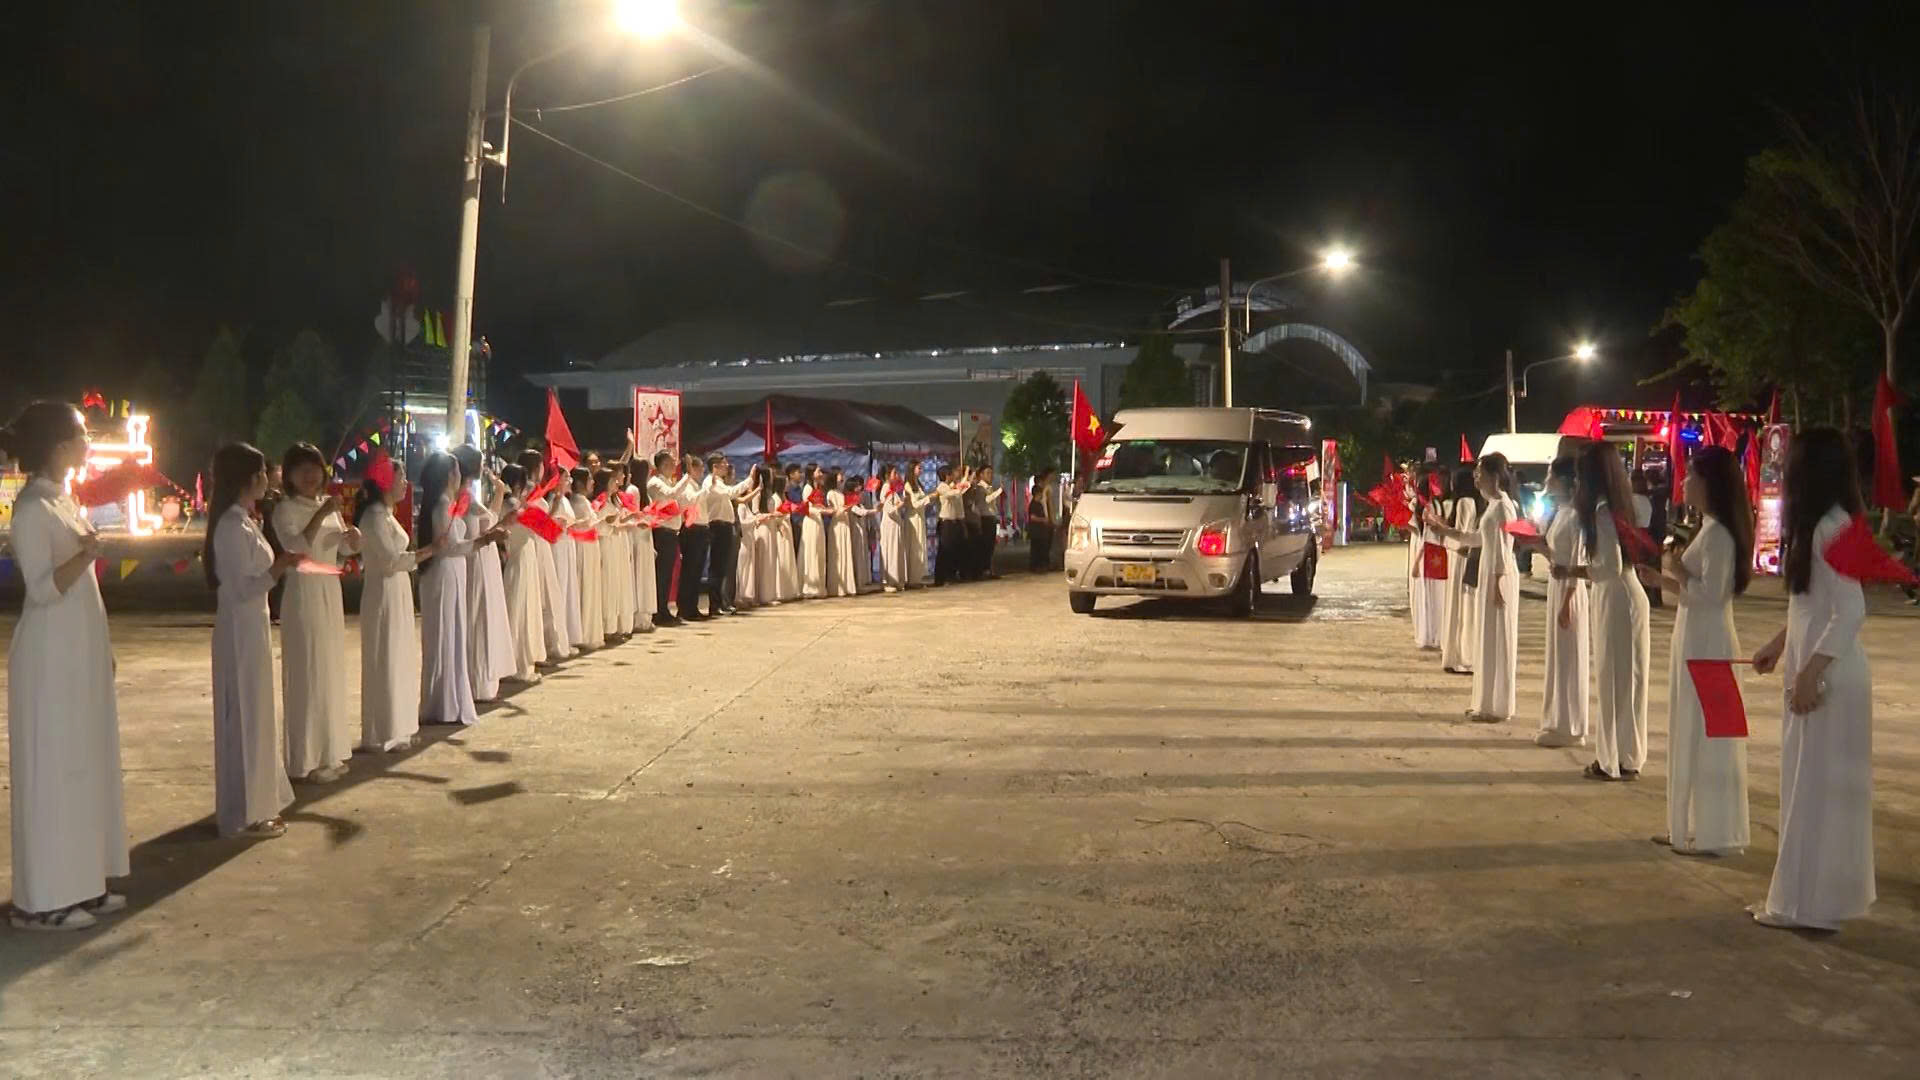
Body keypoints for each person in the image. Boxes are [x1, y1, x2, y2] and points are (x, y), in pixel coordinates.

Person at [4, 402, 130, 930]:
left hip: (77, 653)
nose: (88, 442)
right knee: (54, 770)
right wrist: (87, 554)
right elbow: (40, 588)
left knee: (84, 764)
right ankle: (43, 902)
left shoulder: (62, 499)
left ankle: (84, 882)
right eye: (82, 434)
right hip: (49, 658)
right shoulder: (32, 508)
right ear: (58, 445)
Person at [1748, 428, 1875, 930]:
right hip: (1820, 665)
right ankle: (1808, 902)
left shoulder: (1830, 527)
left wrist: (1810, 674)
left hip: (1829, 675)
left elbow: (1851, 610)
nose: (1783, 470)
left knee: (1813, 789)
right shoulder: (1826, 524)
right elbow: (1813, 603)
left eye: (1791, 461)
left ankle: (1805, 906)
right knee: (1810, 786)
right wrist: (1780, 644)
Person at [1638, 445, 1752, 856]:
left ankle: (1711, 832)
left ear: (1709, 483)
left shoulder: (1719, 534)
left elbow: (1713, 595)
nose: (1683, 482)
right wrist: (1664, 579)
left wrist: (1678, 570)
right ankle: (1685, 825)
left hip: (1709, 642)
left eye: (1690, 475)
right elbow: (1697, 591)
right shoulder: (1708, 528)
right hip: (1695, 635)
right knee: (1691, 727)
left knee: (1707, 732)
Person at [207, 442, 301, 839]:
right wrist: (278, 569)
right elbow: (240, 587)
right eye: (263, 472)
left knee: (257, 713)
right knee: (244, 715)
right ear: (247, 478)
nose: (269, 477)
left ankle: (259, 804)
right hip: (240, 628)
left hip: (254, 625)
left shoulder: (245, 520)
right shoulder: (231, 527)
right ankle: (244, 811)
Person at [1555, 441, 1652, 781]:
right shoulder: (1618, 506)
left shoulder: (1602, 512)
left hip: (1617, 596)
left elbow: (1609, 566)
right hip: (1622, 595)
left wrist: (1571, 570)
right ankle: (1625, 755)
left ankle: (1614, 758)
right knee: (1627, 679)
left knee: (1616, 679)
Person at [271, 441, 358, 784]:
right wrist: (321, 514)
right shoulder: (285, 509)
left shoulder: (328, 505)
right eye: (301, 469)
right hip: (303, 591)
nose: (309, 476)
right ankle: (304, 759)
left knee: (329, 670)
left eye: (315, 469)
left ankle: (328, 752)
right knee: (308, 670)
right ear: (289, 475)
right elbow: (296, 548)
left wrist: (352, 539)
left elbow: (339, 549)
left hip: (328, 590)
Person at [1427, 454, 1518, 723]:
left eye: (1480, 473)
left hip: (1498, 577)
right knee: (1487, 637)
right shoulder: (1493, 506)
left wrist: (1498, 584)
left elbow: (1504, 548)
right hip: (1489, 573)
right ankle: (1485, 702)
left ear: (1494, 476)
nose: (1476, 478)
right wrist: (1445, 530)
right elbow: (1478, 539)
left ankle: (1497, 706)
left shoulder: (1503, 506)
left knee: (1497, 638)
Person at [356, 455, 431, 750]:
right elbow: (389, 561)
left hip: (397, 590)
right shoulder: (374, 517)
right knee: (384, 657)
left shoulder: (386, 514)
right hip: (383, 592)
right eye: (401, 478)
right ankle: (381, 730)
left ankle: (398, 726)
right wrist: (427, 552)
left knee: (398, 656)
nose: (405, 484)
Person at [417, 451, 481, 726]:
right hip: (443, 573)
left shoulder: (448, 504)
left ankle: (449, 701)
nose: (459, 476)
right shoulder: (442, 506)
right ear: (446, 476)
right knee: (444, 634)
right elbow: (449, 547)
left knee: (452, 633)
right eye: (455, 471)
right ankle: (442, 703)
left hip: (452, 572)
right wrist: (483, 540)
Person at [1535, 457, 1589, 748]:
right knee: (1558, 654)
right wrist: (1536, 545)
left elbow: (1578, 561)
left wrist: (1567, 601)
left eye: (1551, 476)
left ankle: (1571, 726)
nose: (1547, 482)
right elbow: (1557, 557)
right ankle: (1557, 719)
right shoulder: (1561, 513)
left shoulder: (1577, 516)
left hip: (1570, 590)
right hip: (1558, 585)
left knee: (1569, 655)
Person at [453, 446, 513, 704]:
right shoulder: (465, 496)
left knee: (482, 616)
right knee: (478, 616)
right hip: (476, 559)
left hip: (481, 557)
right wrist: (499, 494)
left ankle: (482, 680)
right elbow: (489, 522)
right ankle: (478, 681)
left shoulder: (466, 494)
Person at [497, 463, 548, 685]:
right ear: (518, 485)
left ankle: (520, 663)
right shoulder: (512, 505)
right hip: (519, 558)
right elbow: (540, 527)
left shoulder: (511, 504)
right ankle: (517, 665)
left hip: (522, 558)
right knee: (519, 611)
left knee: (522, 609)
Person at [1438, 465, 1482, 675]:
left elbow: (1463, 535)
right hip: (1457, 556)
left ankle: (1460, 656)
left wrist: (1444, 531)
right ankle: (1457, 655)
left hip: (1460, 558)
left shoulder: (1465, 502)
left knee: (1460, 606)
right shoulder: (1467, 502)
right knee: (1458, 606)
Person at [646, 450, 694, 625]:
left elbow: (678, 499)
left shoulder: (667, 481)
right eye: (672, 462)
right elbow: (672, 493)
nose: (675, 465)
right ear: (664, 464)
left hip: (671, 532)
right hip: (662, 532)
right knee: (662, 574)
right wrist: (687, 475)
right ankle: (659, 612)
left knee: (667, 574)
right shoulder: (655, 482)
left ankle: (664, 609)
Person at [703, 454, 755, 615]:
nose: (727, 467)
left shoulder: (719, 482)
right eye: (724, 464)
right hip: (717, 526)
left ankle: (721, 603)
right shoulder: (710, 482)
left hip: (724, 526)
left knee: (722, 567)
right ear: (715, 466)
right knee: (717, 567)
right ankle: (715, 605)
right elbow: (731, 493)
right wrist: (749, 479)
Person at [1412, 466, 1447, 650]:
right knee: (1437, 595)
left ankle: (1431, 635)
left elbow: (1427, 538)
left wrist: (1417, 562)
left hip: (1430, 554)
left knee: (1429, 596)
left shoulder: (1429, 508)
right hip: (1438, 553)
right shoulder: (1436, 506)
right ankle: (1436, 634)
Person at [568, 466, 603, 646]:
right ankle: (583, 634)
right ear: (581, 483)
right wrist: (594, 520)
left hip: (589, 547)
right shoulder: (578, 501)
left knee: (589, 588)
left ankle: (588, 632)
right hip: (583, 547)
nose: (593, 483)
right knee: (585, 588)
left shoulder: (582, 501)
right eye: (589, 479)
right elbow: (578, 526)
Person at [677, 454, 713, 619]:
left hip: (701, 529)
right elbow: (689, 501)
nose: (702, 472)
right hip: (692, 530)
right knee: (690, 571)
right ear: (693, 469)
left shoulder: (696, 485)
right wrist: (705, 490)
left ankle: (693, 607)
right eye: (700, 469)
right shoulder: (687, 485)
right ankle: (685, 608)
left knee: (697, 571)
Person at [934, 465, 970, 586]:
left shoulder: (950, 486)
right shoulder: (941, 487)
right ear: (946, 475)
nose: (952, 476)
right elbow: (954, 493)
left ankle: (951, 575)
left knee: (953, 549)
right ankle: (941, 578)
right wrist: (963, 482)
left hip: (953, 522)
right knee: (945, 550)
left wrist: (965, 478)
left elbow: (959, 491)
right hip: (946, 522)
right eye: (950, 474)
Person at [801, 464, 831, 598]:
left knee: (819, 551)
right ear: (811, 473)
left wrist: (824, 509)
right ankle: (810, 587)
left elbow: (817, 505)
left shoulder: (817, 488)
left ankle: (819, 586)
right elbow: (807, 508)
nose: (821, 474)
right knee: (812, 551)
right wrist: (822, 511)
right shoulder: (807, 488)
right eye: (818, 471)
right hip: (811, 522)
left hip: (818, 521)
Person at [879, 464, 909, 590]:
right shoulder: (886, 488)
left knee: (896, 550)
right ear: (887, 475)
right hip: (889, 524)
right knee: (890, 551)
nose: (897, 475)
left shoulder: (892, 489)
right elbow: (889, 509)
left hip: (895, 523)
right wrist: (900, 504)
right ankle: (888, 581)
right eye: (894, 473)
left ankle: (897, 579)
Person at [904, 461, 933, 587]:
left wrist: (929, 499)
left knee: (920, 545)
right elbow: (915, 504)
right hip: (913, 518)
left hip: (920, 517)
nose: (921, 470)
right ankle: (912, 579)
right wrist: (929, 498)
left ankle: (919, 576)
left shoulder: (918, 484)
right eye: (919, 468)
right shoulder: (908, 485)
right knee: (914, 547)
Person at [974, 465, 1004, 579]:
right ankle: (983, 570)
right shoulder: (980, 488)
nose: (990, 475)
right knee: (985, 545)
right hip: (984, 518)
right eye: (987, 473)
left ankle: (989, 569)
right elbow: (986, 500)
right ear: (981, 475)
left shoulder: (989, 487)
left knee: (990, 545)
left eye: (991, 473)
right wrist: (999, 491)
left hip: (991, 517)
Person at [1027, 466, 1058, 573]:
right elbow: (1048, 505)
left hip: (1043, 524)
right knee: (1040, 546)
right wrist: (1048, 519)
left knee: (1043, 545)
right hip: (1039, 526)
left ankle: (1042, 564)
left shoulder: (1045, 490)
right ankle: (1039, 565)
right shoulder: (1043, 492)